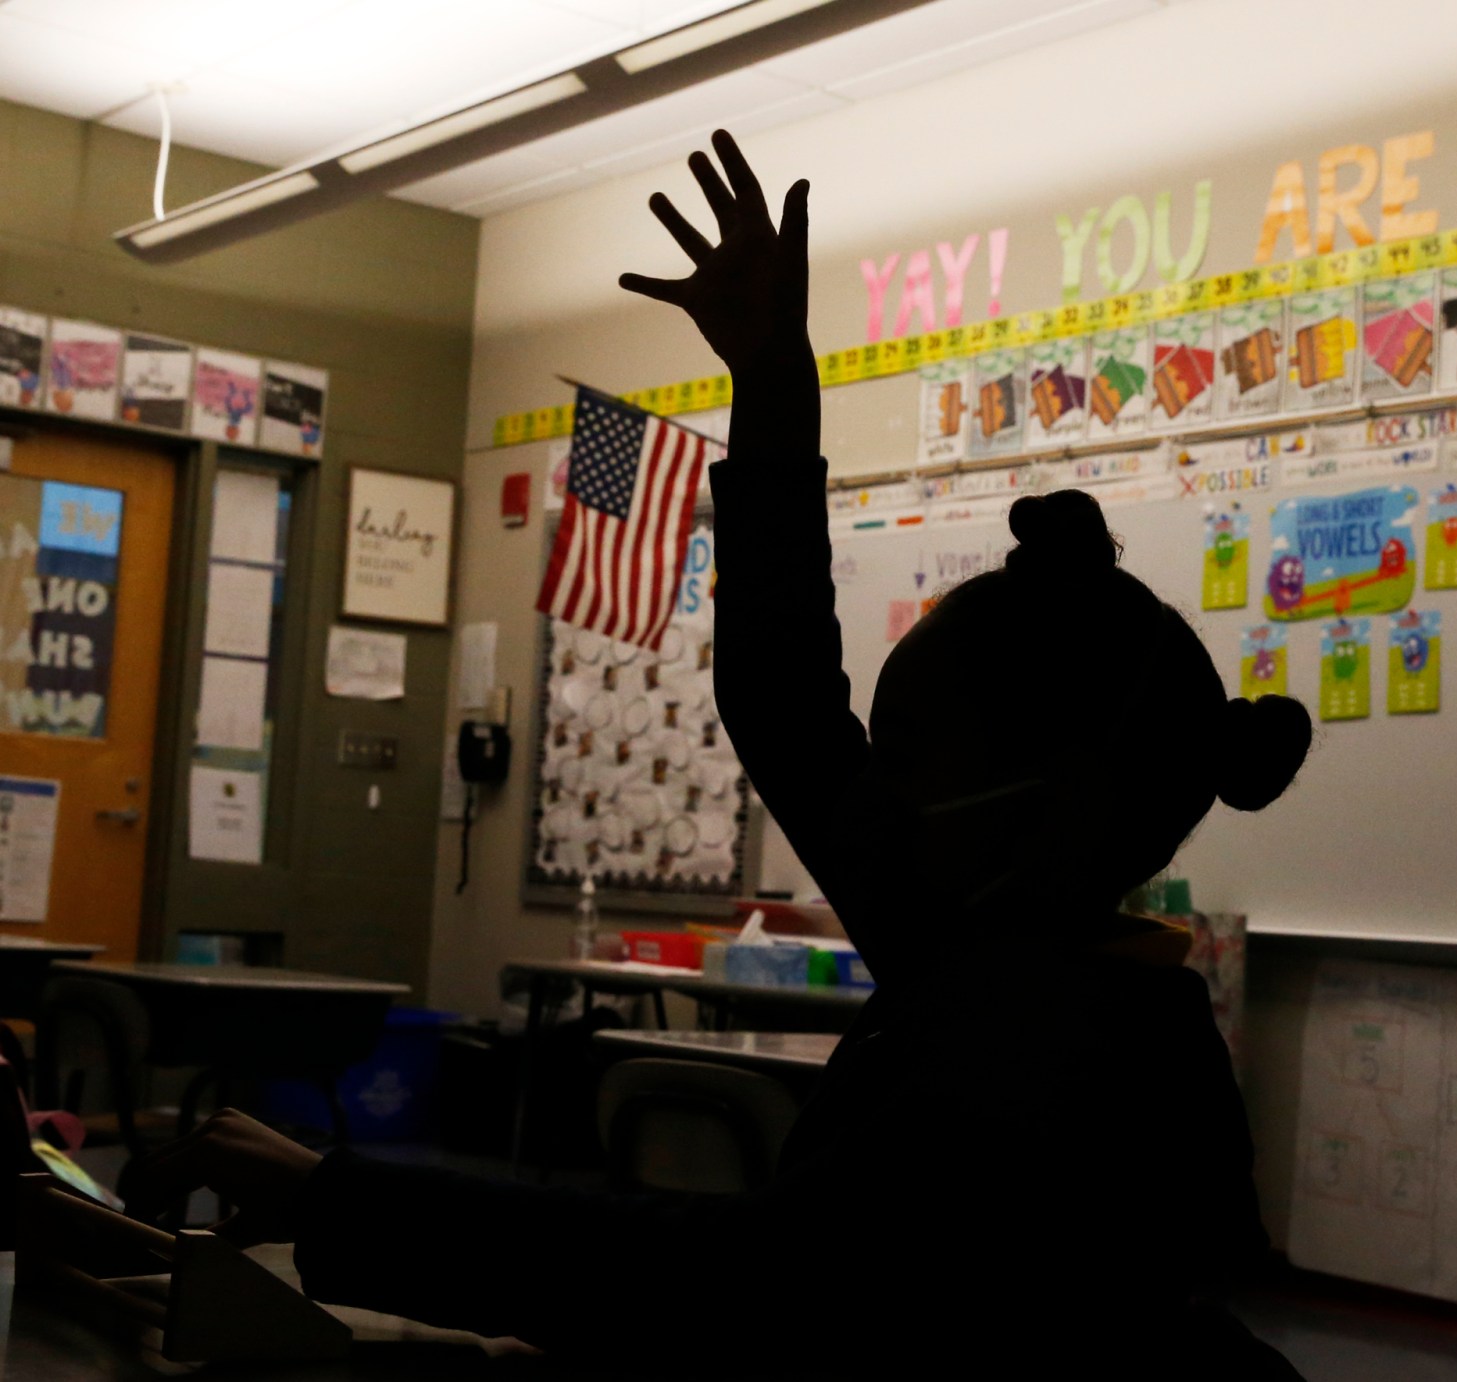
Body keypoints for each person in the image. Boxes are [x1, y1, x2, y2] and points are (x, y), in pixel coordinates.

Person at [126, 131, 1313, 1379]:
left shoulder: (1051, 1061)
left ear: (1049, 798)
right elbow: (785, 694)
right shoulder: (989, 933)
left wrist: (338, 1197)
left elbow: (737, 1290)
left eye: (904, 750)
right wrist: (771, 380)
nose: (869, 784)